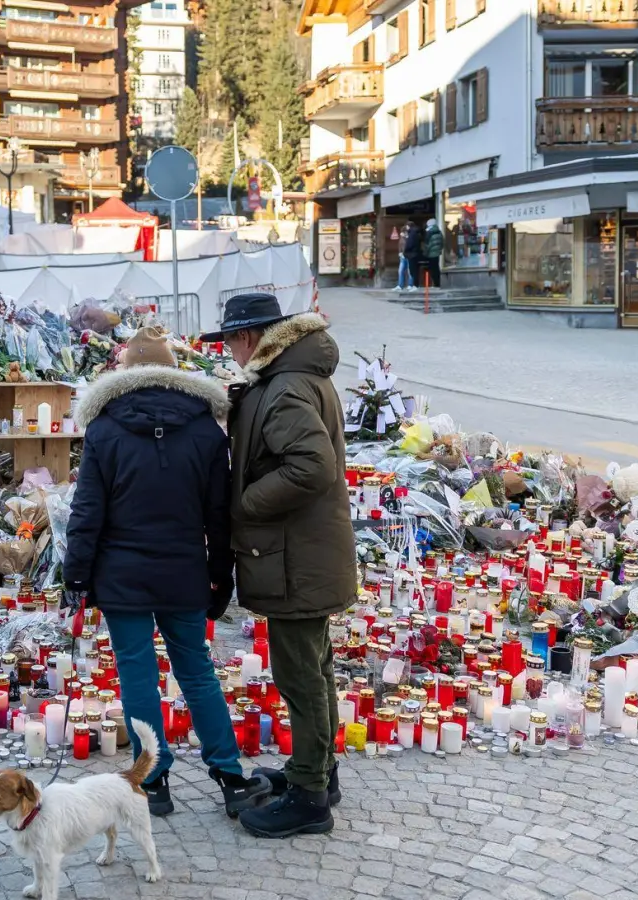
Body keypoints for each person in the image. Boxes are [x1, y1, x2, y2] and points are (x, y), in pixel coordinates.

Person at [62, 326, 271, 819]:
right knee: (197, 671)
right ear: (172, 373)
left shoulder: (106, 427)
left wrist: (76, 577)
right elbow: (218, 514)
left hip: (122, 575)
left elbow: (87, 510)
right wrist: (221, 575)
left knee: (137, 673)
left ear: (126, 374)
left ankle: (152, 782)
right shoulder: (204, 428)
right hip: (183, 572)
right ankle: (230, 776)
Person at [200, 293, 355, 839]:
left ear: (250, 339)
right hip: (302, 553)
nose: (231, 354)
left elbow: (312, 466)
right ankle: (315, 773)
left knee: (300, 676)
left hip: (297, 557)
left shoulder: (287, 385)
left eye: (231, 343)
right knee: (314, 669)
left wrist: (245, 503)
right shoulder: (293, 376)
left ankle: (311, 798)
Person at [420, 219, 444, 289]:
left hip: (431, 254)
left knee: (432, 269)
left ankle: (435, 284)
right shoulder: (439, 232)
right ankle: (438, 283)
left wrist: (425, 254)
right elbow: (442, 243)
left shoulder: (429, 233)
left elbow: (427, 245)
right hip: (437, 253)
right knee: (436, 269)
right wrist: (439, 249)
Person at [396, 224, 420, 291]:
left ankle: (410, 285)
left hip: (409, 255)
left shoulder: (411, 236)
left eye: (404, 232)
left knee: (410, 271)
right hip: (403, 256)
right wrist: (400, 252)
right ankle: (400, 285)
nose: (402, 233)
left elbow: (409, 245)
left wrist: (406, 237)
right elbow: (400, 245)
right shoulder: (402, 237)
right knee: (401, 271)